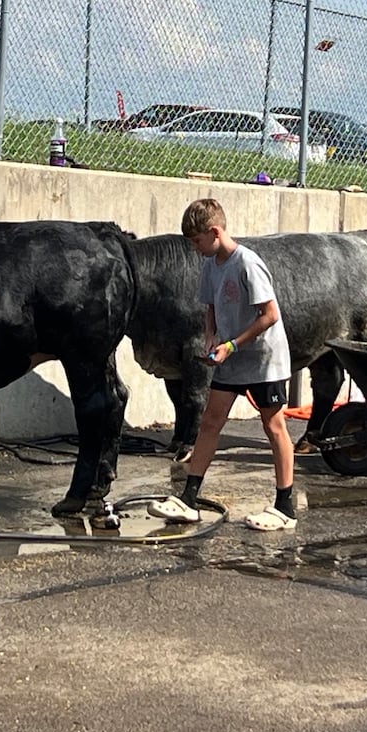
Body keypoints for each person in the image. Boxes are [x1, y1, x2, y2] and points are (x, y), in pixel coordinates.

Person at [148, 198, 297, 531]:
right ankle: (188, 499)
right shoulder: (211, 265)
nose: (196, 249)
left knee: (274, 428)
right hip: (230, 356)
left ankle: (285, 506)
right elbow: (212, 307)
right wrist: (211, 336)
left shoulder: (247, 263)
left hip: (262, 360)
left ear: (215, 232)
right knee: (210, 422)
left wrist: (232, 344)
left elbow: (270, 315)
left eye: (198, 242)